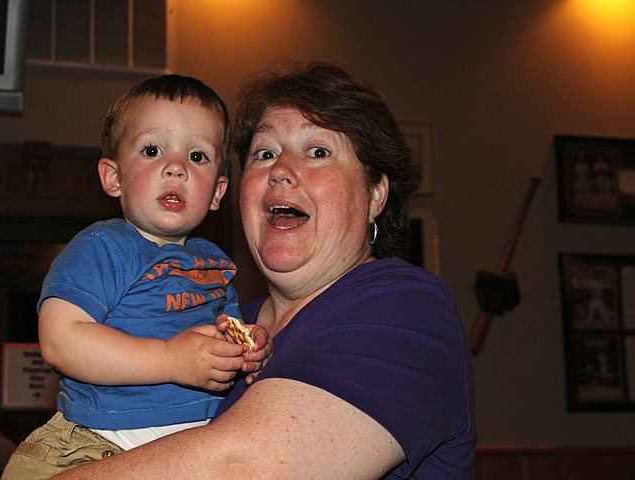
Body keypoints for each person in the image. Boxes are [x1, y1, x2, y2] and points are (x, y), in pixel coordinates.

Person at [53, 62, 475, 479]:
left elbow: (241, 468)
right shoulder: (222, 320)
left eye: (318, 151)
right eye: (265, 153)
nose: (280, 171)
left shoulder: (405, 308)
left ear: (376, 193)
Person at [2, 74, 271, 479]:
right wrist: (169, 360)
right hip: (90, 445)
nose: (176, 168)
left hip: (192, 449)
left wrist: (248, 351)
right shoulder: (103, 247)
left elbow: (224, 337)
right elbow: (61, 341)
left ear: (217, 192)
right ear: (114, 177)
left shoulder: (215, 264)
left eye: (197, 157)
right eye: (152, 150)